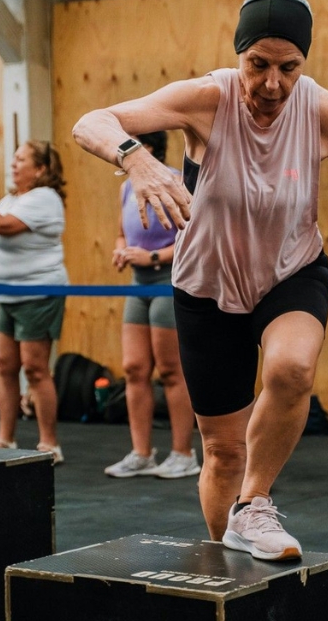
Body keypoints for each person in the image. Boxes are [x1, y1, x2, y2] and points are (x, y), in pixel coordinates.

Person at [72, 0, 328, 561]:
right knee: (222, 452)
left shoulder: (321, 111)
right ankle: (225, 570)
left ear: (304, 62)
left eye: (288, 67)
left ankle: (254, 506)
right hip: (205, 286)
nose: (272, 83)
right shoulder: (206, 98)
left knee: (293, 367)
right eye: (258, 65)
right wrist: (138, 159)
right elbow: (90, 121)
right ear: (238, 55)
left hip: (290, 272)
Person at [0, 141, 69, 463]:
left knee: (35, 369)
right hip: (6, 294)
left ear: (42, 169)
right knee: (5, 365)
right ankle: (4, 439)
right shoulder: (10, 199)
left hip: (38, 294)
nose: (14, 164)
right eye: (14, 159)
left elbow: (3, 227)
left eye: (22, 160)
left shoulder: (45, 198)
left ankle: (50, 444)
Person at [102, 131, 200, 480]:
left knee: (172, 371)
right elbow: (120, 232)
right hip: (137, 286)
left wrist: (153, 256)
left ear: (149, 151)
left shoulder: (174, 182)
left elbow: (192, 235)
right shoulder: (127, 187)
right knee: (133, 369)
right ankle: (142, 453)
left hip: (167, 282)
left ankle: (183, 453)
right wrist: (121, 248)